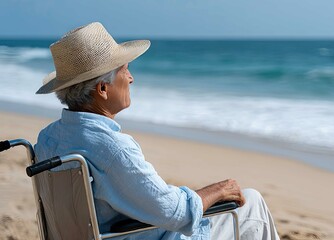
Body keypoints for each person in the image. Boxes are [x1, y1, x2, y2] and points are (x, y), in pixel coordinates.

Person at [34, 22, 280, 240]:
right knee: (251, 203)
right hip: (135, 235)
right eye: (124, 70)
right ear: (102, 89)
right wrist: (218, 190)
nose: (131, 78)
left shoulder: (48, 138)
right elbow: (174, 212)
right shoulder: (112, 148)